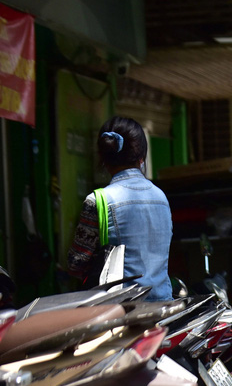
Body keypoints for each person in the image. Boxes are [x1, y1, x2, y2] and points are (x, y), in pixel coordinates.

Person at [67, 116, 173, 301]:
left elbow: (76, 264)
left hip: (120, 315)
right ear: (142, 156)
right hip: (164, 309)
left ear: (103, 157)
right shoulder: (161, 198)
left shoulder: (98, 200)